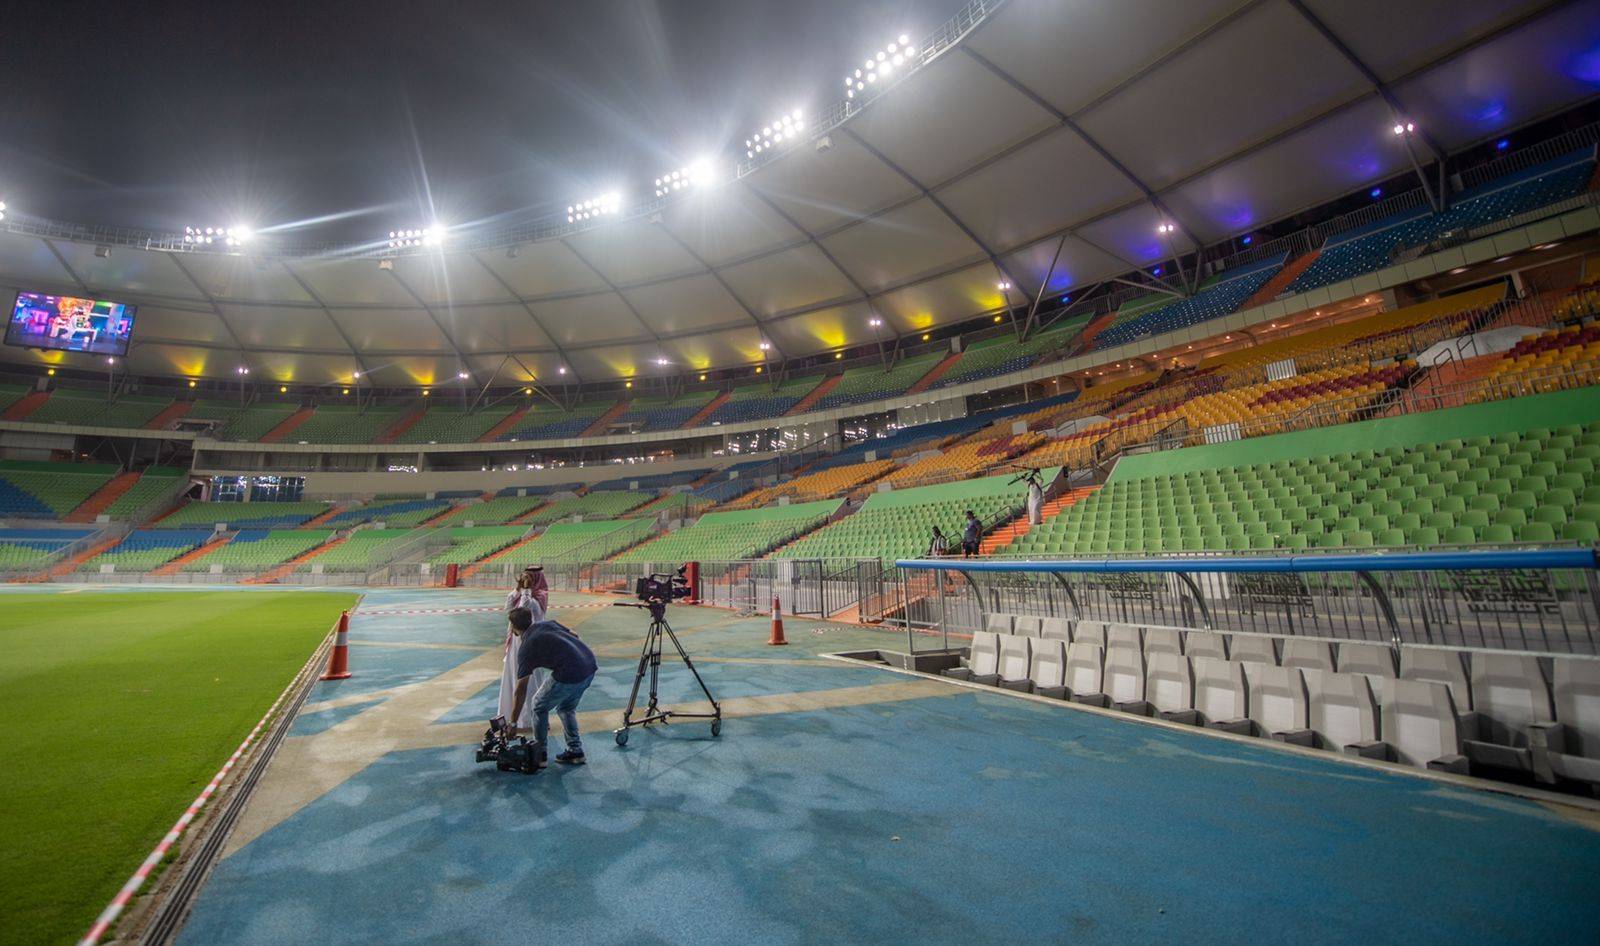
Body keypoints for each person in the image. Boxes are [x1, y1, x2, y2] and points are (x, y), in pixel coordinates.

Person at [508, 608, 598, 765]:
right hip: (589, 666)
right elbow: (575, 635)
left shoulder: (526, 648)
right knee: (565, 708)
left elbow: (521, 690)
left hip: (569, 673)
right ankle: (575, 751)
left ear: (514, 628)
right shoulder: (548, 624)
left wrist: (513, 723)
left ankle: (540, 754)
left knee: (538, 706)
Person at [498, 567, 549, 734]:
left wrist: (527, 590)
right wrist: (518, 589)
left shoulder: (539, 598)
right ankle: (512, 716)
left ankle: (528, 719)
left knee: (530, 682)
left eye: (529, 577)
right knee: (513, 677)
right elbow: (508, 609)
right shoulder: (522, 595)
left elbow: (527, 608)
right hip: (515, 644)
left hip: (531, 645)